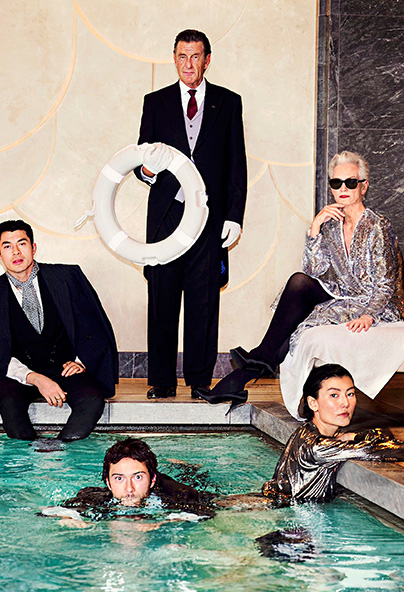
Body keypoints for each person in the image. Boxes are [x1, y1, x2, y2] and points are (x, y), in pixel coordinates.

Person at [199, 150, 404, 406]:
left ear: (363, 186)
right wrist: (315, 227)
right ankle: (250, 369)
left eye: (350, 182)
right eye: (336, 183)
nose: (343, 188)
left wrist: (368, 316)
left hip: (378, 304)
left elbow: (385, 285)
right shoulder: (332, 225)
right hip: (346, 294)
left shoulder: (377, 226)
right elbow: (314, 270)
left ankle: (247, 370)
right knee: (299, 281)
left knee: (298, 318)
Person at [135, 29, 247, 401]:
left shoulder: (228, 103)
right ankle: (162, 380)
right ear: (174, 58)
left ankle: (199, 379)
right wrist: (147, 170)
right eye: (182, 56)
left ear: (207, 60)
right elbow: (141, 162)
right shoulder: (155, 102)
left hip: (209, 219)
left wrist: (234, 215)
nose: (188, 64)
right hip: (167, 215)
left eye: (195, 56)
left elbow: (236, 165)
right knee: (162, 298)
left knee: (204, 300)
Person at [0, 220, 118, 441]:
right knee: (8, 403)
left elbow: (93, 326)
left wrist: (80, 361)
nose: (16, 251)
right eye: (7, 246)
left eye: (22, 243)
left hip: (64, 369)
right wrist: (36, 379)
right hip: (18, 374)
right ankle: (28, 458)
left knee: (92, 400)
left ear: (33, 247)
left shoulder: (67, 277)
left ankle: (59, 451)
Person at [261, 363, 404, 503]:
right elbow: (401, 450)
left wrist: (350, 437)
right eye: (334, 395)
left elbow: (383, 433)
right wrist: (352, 438)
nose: (345, 403)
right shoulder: (318, 448)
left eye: (350, 394)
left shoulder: (308, 431)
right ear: (313, 403)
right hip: (290, 515)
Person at [58, 437, 213, 519]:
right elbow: (54, 511)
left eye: (137, 477)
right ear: (108, 483)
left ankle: (186, 467)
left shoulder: (178, 497)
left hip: (170, 486)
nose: (129, 489)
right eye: (119, 479)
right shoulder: (92, 498)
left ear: (152, 480)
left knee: (192, 478)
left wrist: (174, 520)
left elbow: (207, 513)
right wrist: (70, 518)